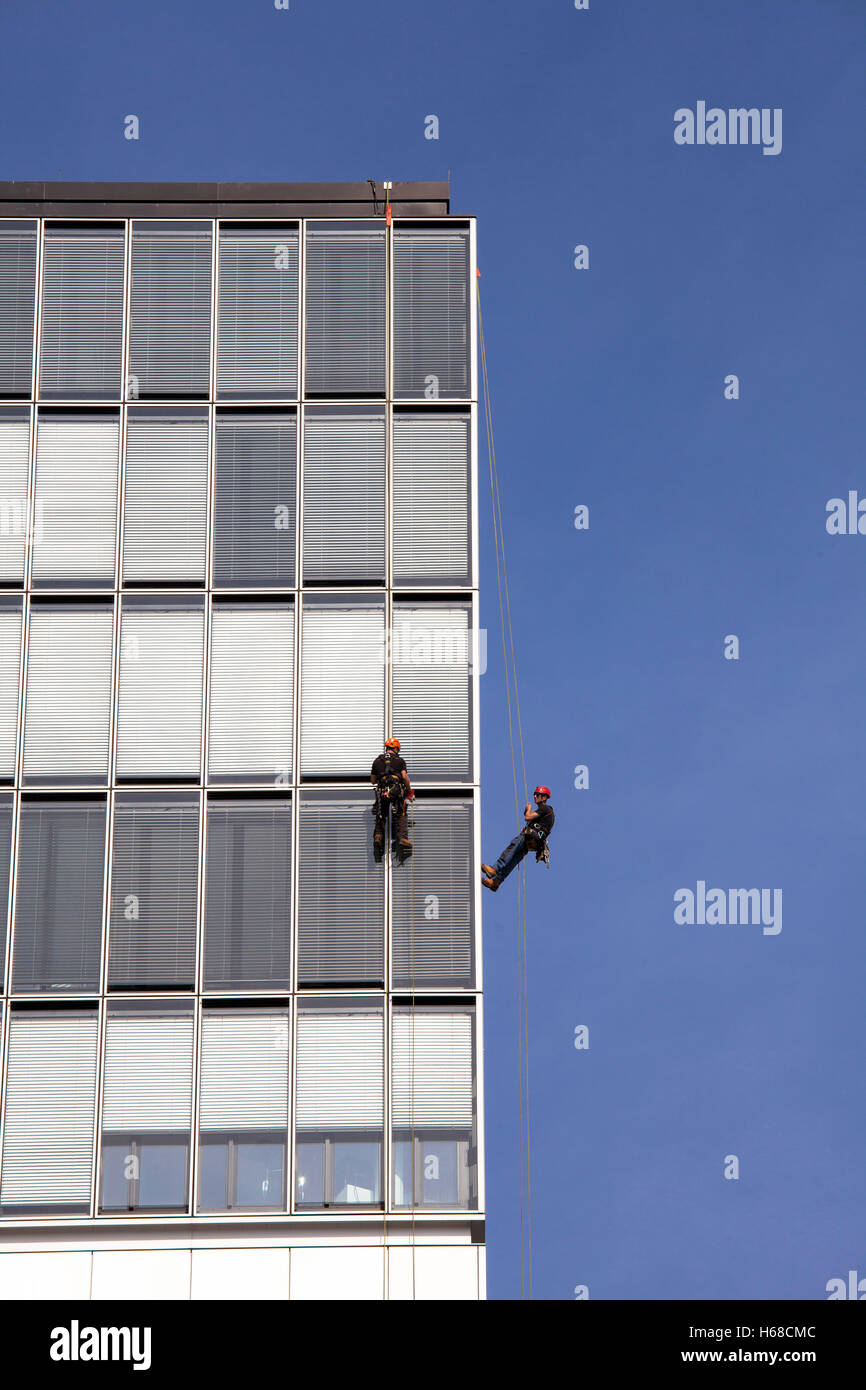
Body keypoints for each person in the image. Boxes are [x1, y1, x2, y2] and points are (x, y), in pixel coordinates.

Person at [482, 785, 554, 891]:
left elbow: (527, 817)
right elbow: (530, 820)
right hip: (535, 841)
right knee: (514, 858)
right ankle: (496, 882)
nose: (535, 796)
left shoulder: (545, 808)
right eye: (535, 794)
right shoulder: (544, 812)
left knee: (513, 847)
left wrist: (527, 810)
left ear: (544, 798)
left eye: (537, 795)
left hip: (531, 836)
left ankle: (494, 869)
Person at [370, 737, 414, 864]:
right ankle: (402, 838)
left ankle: (378, 836)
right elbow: (404, 777)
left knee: (381, 815)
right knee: (401, 813)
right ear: (396, 748)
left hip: (383, 791)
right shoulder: (399, 760)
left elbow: (373, 781)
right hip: (395, 790)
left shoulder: (377, 761)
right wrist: (409, 790)